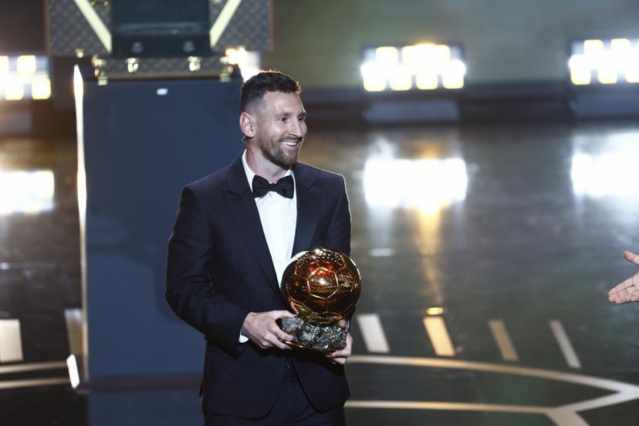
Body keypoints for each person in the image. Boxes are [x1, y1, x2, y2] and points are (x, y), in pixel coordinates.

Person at [165, 70, 353, 425]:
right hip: (240, 395)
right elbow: (183, 289)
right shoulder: (204, 199)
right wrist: (244, 322)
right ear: (248, 125)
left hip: (319, 395)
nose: (297, 130)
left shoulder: (329, 190)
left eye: (300, 118)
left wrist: (338, 330)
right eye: (283, 119)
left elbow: (339, 283)